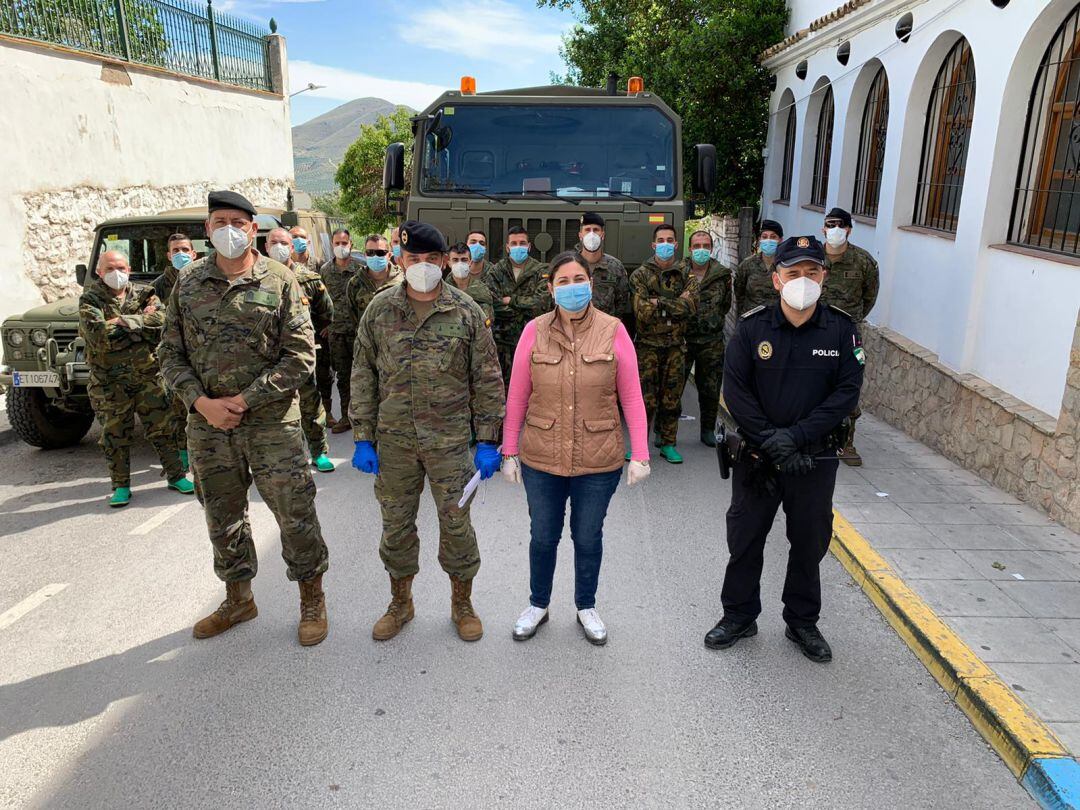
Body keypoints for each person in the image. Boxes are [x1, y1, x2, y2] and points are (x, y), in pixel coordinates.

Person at [159, 190, 330, 647]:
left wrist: (245, 400)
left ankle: (311, 599)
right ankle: (239, 598)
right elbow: (170, 354)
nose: (228, 229)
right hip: (209, 427)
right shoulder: (189, 283)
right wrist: (202, 403)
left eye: (238, 221)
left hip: (272, 425)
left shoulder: (280, 280)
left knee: (295, 514)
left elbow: (300, 355)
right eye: (219, 222)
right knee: (222, 516)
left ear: (253, 228)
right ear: (208, 229)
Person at [704, 235, 864, 663]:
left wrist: (794, 437)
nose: (803, 281)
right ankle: (738, 615)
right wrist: (772, 440)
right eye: (793, 273)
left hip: (812, 459)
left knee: (809, 541)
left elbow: (846, 393)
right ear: (776, 280)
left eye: (812, 272)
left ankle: (802, 622)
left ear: (823, 278)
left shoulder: (842, 330)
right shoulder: (753, 327)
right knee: (745, 538)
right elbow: (736, 390)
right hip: (757, 457)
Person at [350, 220, 505, 643]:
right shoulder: (379, 310)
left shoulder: (466, 311)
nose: (421, 265)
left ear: (443, 261)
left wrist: (489, 440)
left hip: (450, 443)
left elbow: (488, 378)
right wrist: (362, 435)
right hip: (394, 441)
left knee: (456, 525)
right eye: (413, 259)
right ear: (401, 259)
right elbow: (362, 372)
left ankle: (462, 604)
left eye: (430, 259)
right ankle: (400, 603)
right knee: (396, 526)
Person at [501, 251, 650, 645]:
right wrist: (508, 450)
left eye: (578, 280)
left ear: (591, 284)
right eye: (562, 282)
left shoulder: (614, 330)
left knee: (587, 537)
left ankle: (586, 605)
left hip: (598, 459)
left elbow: (632, 397)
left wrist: (640, 454)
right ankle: (538, 604)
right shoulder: (534, 331)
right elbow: (517, 395)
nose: (572, 288)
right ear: (550, 289)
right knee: (543, 537)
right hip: (542, 456)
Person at [79, 251, 195, 507]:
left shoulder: (144, 293)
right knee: (115, 434)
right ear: (99, 271)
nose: (116, 272)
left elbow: (162, 322)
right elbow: (97, 334)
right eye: (109, 268)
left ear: (129, 268)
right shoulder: (90, 299)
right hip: (109, 382)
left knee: (163, 429)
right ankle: (121, 487)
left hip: (148, 377)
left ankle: (176, 476)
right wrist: (141, 324)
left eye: (120, 267)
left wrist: (123, 321)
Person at [267, 227, 335, 472]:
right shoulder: (255, 278)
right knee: (271, 406)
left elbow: (326, 312)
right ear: (266, 246)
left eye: (284, 242)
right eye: (274, 242)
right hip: (267, 357)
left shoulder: (309, 279)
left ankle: (319, 452)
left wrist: (309, 336)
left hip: (299, 354)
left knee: (310, 402)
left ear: (292, 247)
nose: (279, 246)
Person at [629, 224, 699, 464]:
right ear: (653, 244)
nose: (666, 244)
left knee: (671, 398)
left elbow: (690, 308)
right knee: (644, 400)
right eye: (661, 240)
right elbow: (641, 312)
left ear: (677, 245)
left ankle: (668, 444)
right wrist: (674, 303)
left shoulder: (686, 274)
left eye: (670, 240)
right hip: (647, 345)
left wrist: (658, 302)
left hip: (676, 346)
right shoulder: (639, 274)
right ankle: (640, 446)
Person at [821, 207, 879, 467]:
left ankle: (846, 443)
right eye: (830, 224)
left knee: (849, 385)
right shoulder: (812, 257)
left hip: (847, 334)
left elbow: (869, 297)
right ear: (823, 228)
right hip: (814, 330)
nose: (835, 229)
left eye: (840, 225)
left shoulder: (863, 261)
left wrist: (851, 320)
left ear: (849, 229)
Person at [684, 229, 732, 447]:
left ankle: (707, 430)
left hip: (711, 341)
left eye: (705, 246)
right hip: (683, 339)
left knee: (710, 389)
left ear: (711, 249)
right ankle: (664, 433)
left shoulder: (722, 275)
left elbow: (726, 305)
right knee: (672, 388)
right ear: (690, 248)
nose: (701, 250)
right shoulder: (679, 271)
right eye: (697, 246)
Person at [486, 226, 548, 387]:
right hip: (502, 342)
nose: (518, 246)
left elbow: (542, 304)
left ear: (529, 246)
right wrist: (524, 308)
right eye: (514, 243)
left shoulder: (540, 271)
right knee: (502, 386)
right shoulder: (496, 271)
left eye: (522, 243)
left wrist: (511, 300)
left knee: (532, 386)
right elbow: (492, 303)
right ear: (507, 247)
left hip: (533, 341)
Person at [157, 232, 199, 472]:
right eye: (176, 251)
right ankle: (182, 456)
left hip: (202, 354)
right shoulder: (159, 286)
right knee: (176, 408)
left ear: (193, 253)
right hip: (175, 355)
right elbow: (151, 318)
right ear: (169, 255)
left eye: (185, 250)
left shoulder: (203, 278)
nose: (181, 255)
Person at [317, 228, 363, 432]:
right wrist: (325, 324)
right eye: (337, 243)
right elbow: (321, 302)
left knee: (364, 375)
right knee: (343, 377)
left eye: (344, 243)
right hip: (337, 334)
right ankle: (346, 417)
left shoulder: (361, 269)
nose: (340, 247)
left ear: (351, 244)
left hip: (359, 332)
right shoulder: (326, 270)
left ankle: (365, 417)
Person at [344, 233, 402, 345]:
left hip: (396, 347)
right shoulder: (355, 283)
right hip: (366, 347)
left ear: (389, 255)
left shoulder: (402, 281)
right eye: (370, 252)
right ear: (365, 255)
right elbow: (353, 317)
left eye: (380, 253)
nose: (375, 256)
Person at [576, 212, 631, 325]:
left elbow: (621, 304)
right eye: (587, 230)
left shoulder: (615, 267)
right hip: (574, 329)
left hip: (604, 331)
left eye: (596, 230)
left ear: (603, 235)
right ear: (580, 236)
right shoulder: (569, 264)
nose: (592, 234)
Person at [734, 220, 783, 315]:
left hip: (778, 321)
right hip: (752, 320)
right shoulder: (747, 264)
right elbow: (739, 293)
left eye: (773, 237)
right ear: (760, 239)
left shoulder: (786, 265)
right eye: (764, 237)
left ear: (780, 240)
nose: (768, 240)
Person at [447, 241, 495, 325]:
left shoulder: (482, 290)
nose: (460, 263)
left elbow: (487, 322)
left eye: (464, 260)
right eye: (455, 260)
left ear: (470, 262)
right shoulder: (442, 290)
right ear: (449, 263)